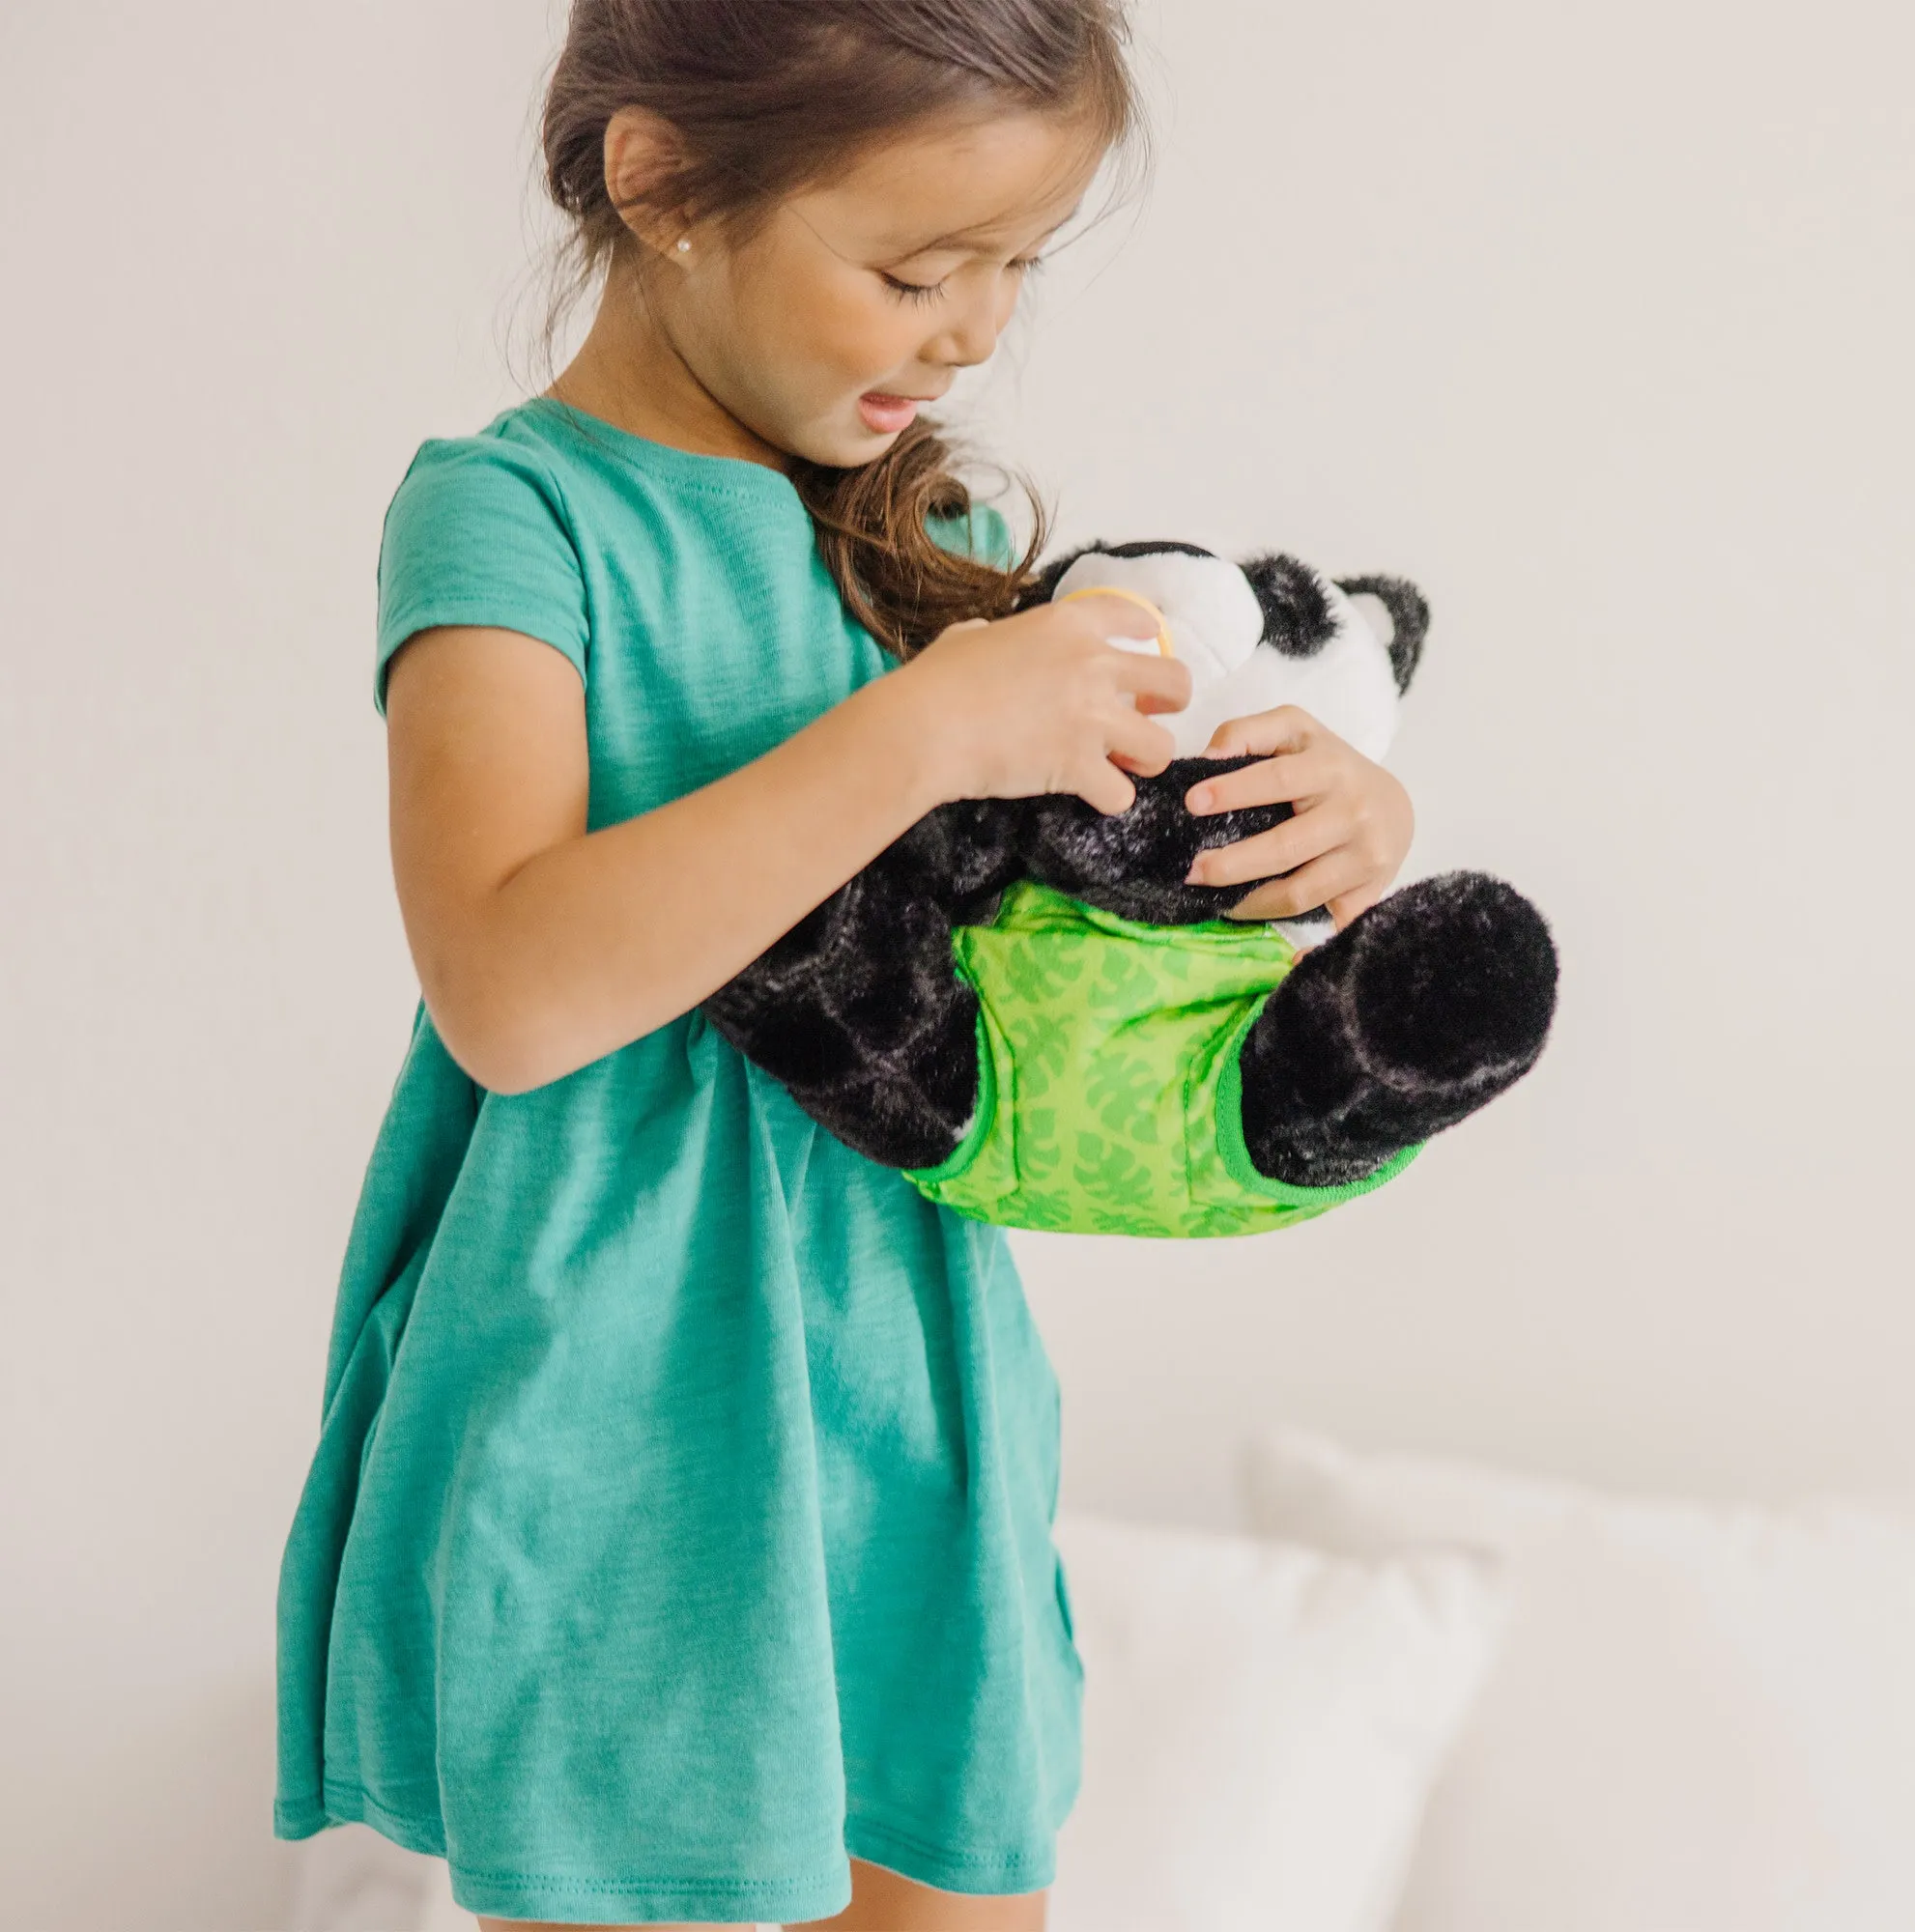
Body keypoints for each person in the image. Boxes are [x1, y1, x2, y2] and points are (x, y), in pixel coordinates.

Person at [273, 4, 1416, 1927]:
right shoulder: (514, 514)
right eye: (911, 268)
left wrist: (1316, 846)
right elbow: (510, 986)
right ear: (661, 184)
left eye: (1012, 270)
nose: (972, 331)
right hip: (622, 1420)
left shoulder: (940, 543)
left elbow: (1067, 968)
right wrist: (921, 736)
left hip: (908, 1398)